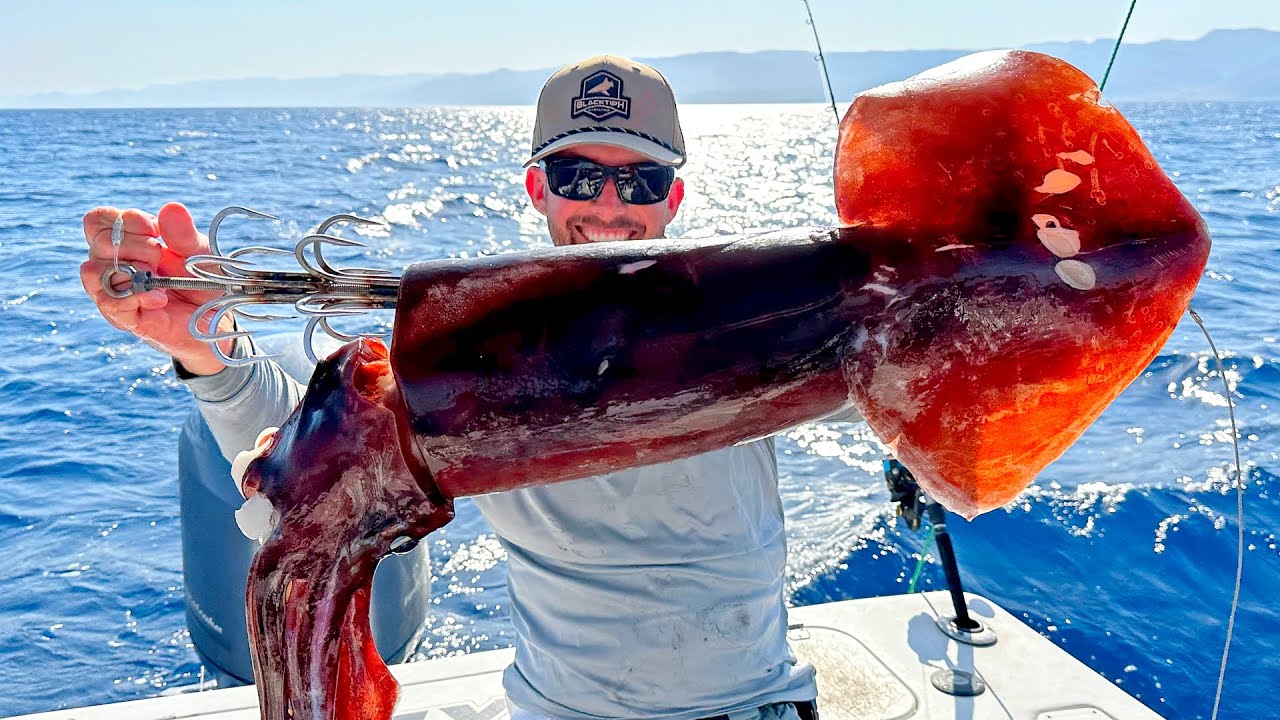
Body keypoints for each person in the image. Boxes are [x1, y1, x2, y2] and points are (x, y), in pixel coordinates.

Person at [81, 55, 849, 720]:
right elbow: (322, 463)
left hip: (757, 704)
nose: (609, 206)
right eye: (579, 176)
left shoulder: (752, 318)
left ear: (672, 198)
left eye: (639, 178)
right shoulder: (483, 351)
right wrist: (202, 351)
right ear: (537, 188)